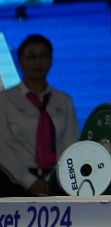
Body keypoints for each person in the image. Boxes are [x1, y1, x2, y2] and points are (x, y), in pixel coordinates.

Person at [0, 34, 79, 197]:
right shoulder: (5, 100)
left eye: (43, 56)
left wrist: (51, 180)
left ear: (51, 61)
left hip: (57, 182)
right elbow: (2, 147)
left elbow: (71, 145)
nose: (37, 62)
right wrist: (29, 181)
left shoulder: (64, 100)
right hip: (13, 183)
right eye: (31, 56)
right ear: (20, 61)